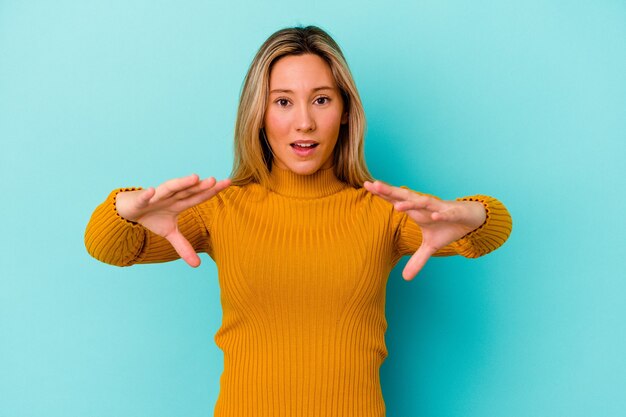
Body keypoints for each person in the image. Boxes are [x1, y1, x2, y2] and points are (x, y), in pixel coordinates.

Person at [85, 25, 512, 417]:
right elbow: (107, 248)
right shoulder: (221, 208)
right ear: (259, 113)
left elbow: (491, 229)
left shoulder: (384, 213)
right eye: (283, 101)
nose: (304, 122)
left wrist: (475, 215)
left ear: (345, 111)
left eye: (321, 99)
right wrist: (124, 209)